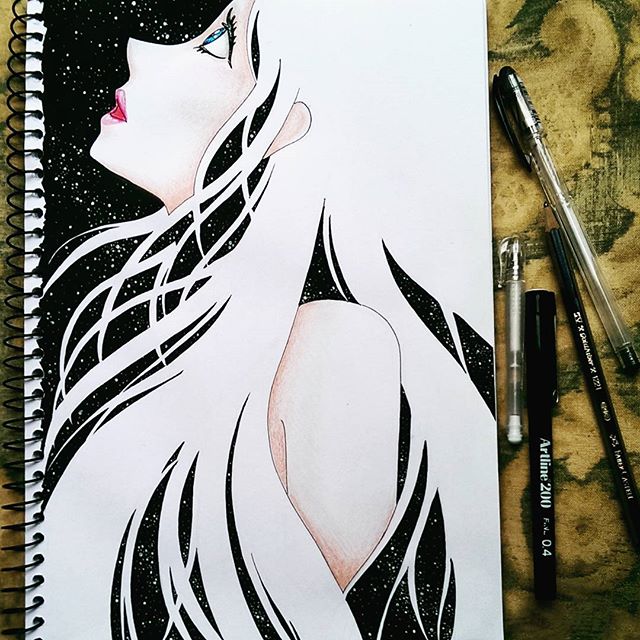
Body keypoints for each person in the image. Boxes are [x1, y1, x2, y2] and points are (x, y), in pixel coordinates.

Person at [42, 1, 498, 637]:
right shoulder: (169, 316)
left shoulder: (339, 347)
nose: (139, 50)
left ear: (291, 122)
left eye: (217, 43)